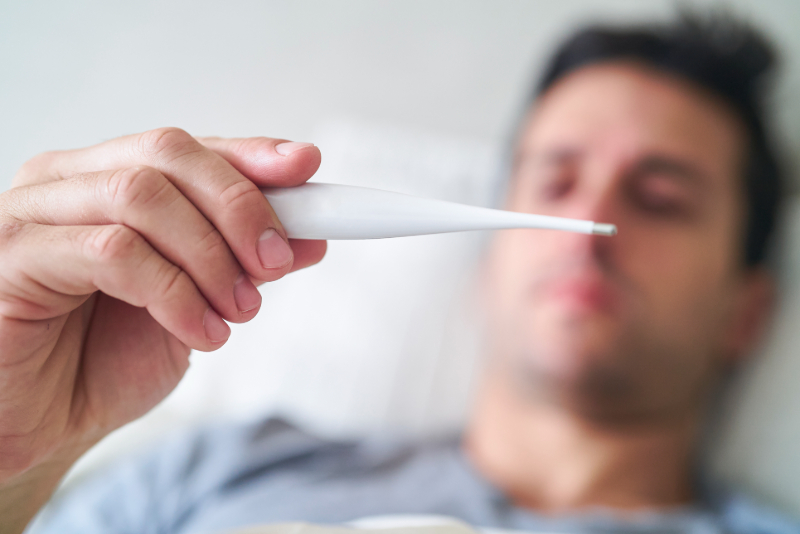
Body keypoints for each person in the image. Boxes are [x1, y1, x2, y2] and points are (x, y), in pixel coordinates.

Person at [2, 12, 797, 534]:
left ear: (746, 312)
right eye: (555, 182)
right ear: (488, 260)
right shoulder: (217, 472)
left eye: (660, 199)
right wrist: (16, 455)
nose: (587, 228)